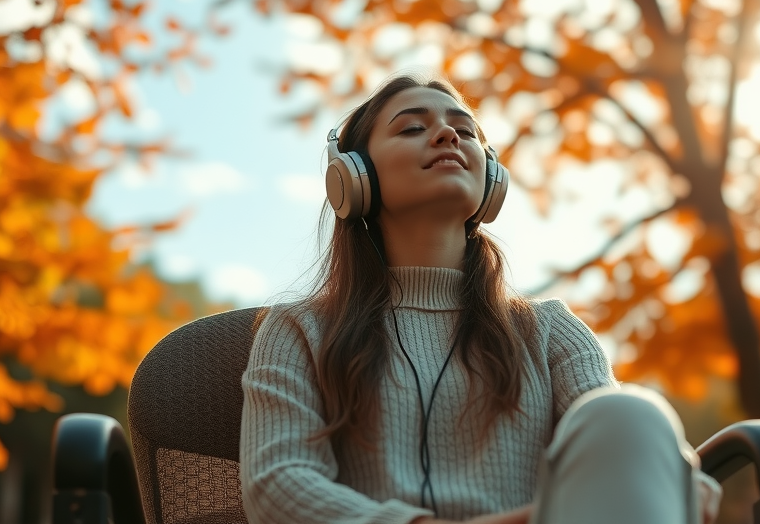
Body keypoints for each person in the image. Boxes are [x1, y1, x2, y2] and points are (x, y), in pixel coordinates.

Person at [240, 72, 722, 524]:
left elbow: (617, 440)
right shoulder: (298, 330)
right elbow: (278, 486)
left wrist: (675, 480)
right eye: (411, 128)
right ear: (354, 178)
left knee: (630, 412)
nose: (448, 136)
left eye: (465, 132)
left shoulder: (550, 330)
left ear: (491, 178)